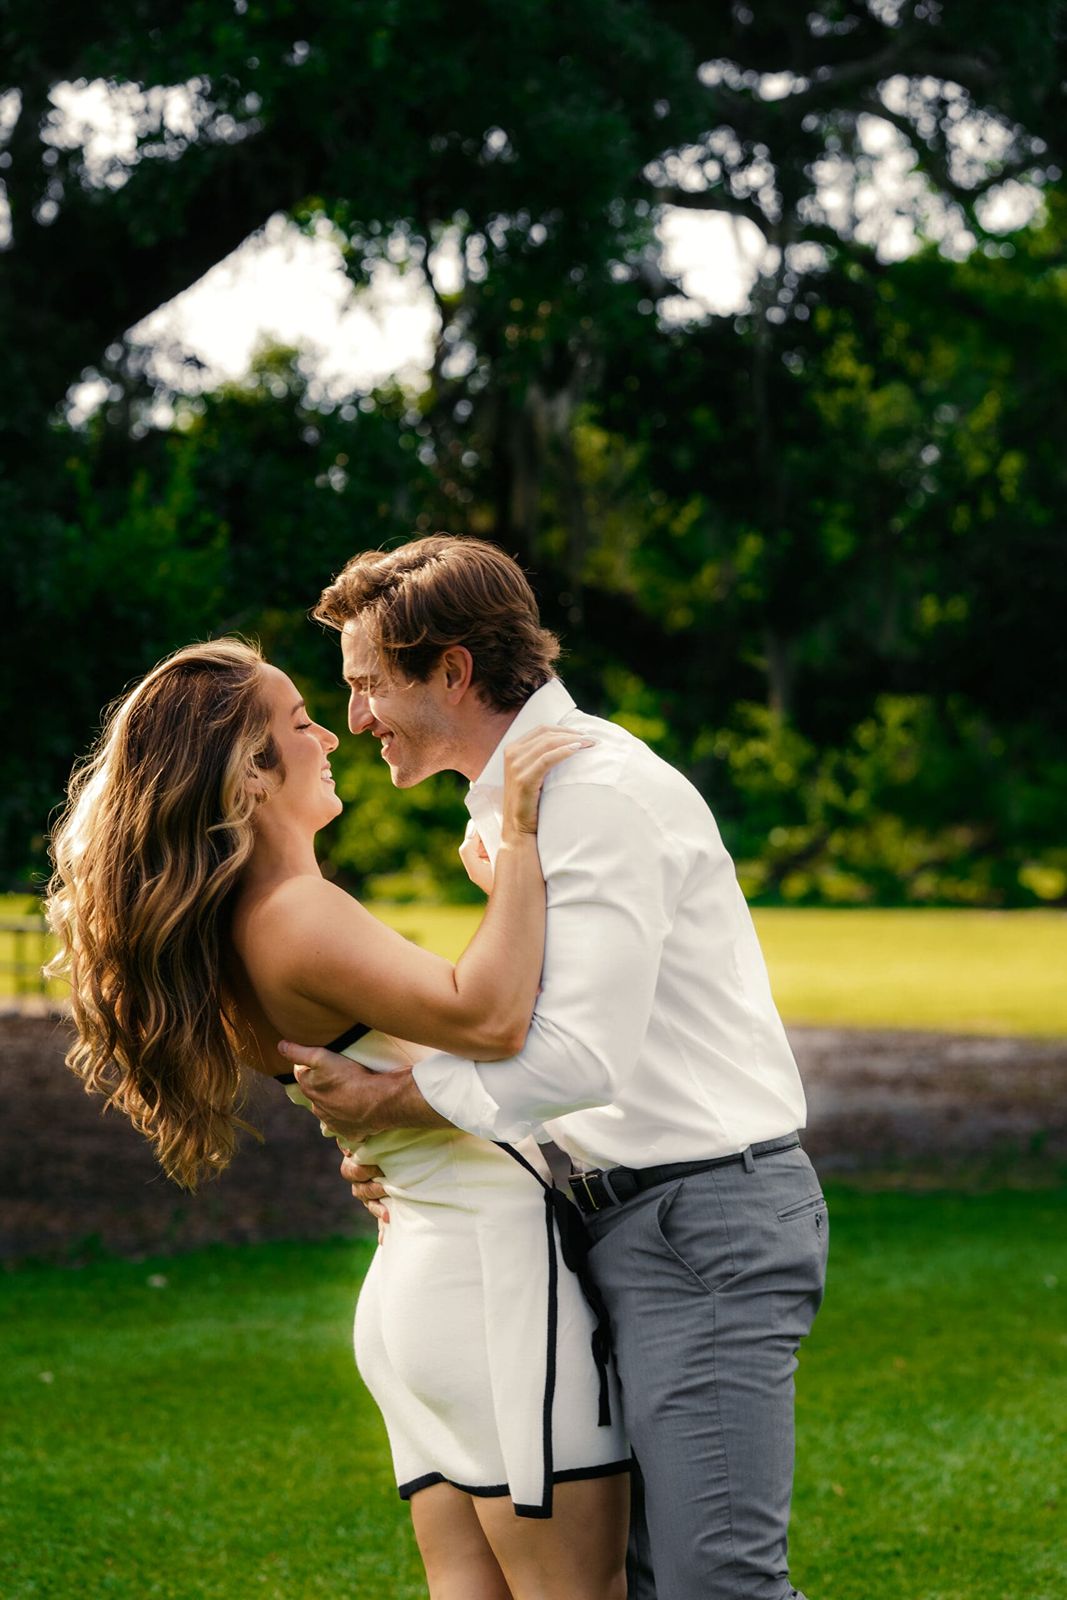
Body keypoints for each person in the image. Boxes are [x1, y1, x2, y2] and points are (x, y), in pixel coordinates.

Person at [282, 535, 829, 1600]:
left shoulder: (594, 791)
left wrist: (400, 1105)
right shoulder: (511, 809)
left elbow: (577, 1059)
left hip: (701, 1225)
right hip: (600, 1221)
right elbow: (530, 1047)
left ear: (450, 669)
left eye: (364, 686)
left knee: (717, 1583)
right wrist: (409, 1147)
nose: (352, 719)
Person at [45, 637, 630, 1600]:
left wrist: (506, 900)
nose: (331, 736)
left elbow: (456, 1036)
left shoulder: (247, 926)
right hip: (494, 1287)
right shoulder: (293, 914)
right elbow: (489, 1016)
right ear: (251, 772)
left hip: (430, 1284)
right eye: (299, 722)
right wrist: (522, 839)